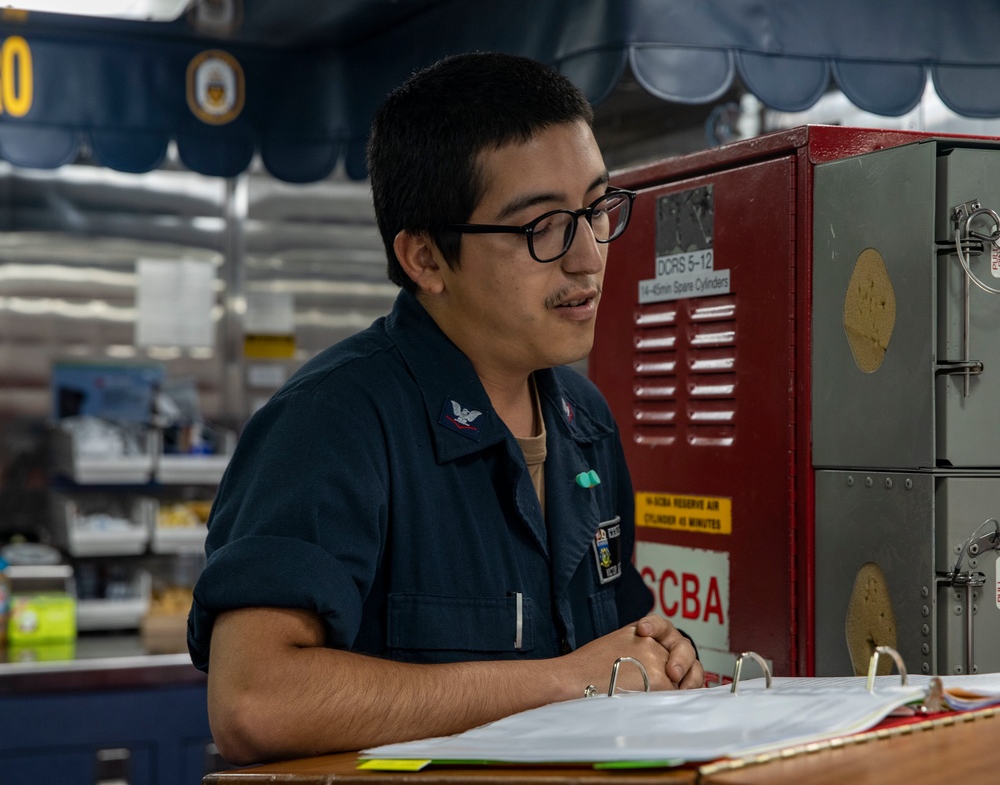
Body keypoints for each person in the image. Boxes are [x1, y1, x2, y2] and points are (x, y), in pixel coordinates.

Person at [188, 51, 704, 766]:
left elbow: (613, 643)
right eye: (544, 226)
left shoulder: (584, 422)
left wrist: (663, 653)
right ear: (426, 258)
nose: (588, 256)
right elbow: (254, 700)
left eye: (595, 209)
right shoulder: (333, 425)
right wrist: (560, 682)